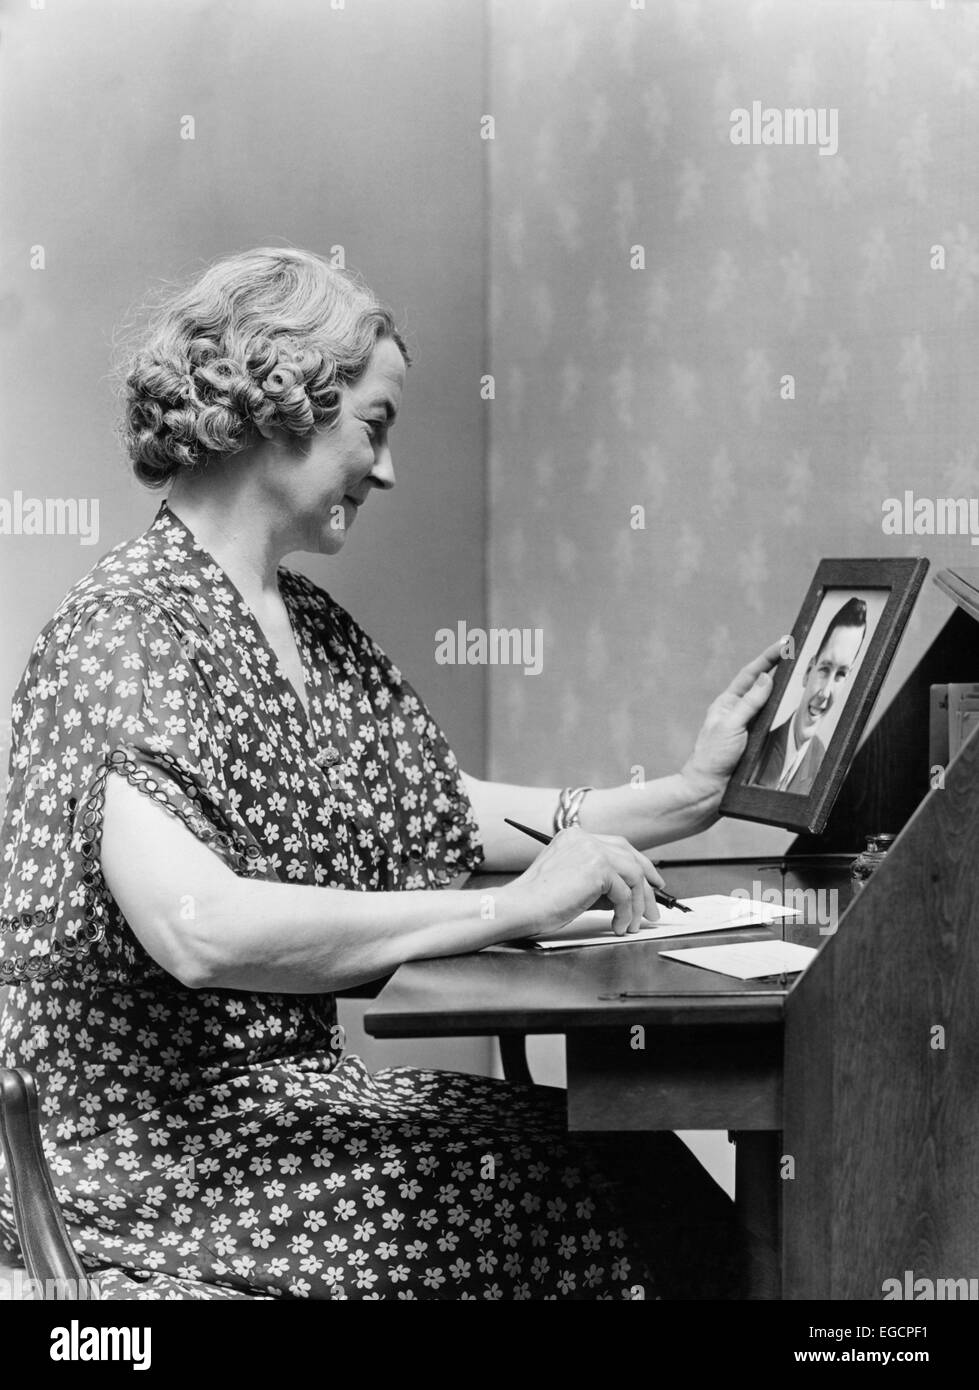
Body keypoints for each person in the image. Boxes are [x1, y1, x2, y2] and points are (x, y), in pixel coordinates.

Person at [0, 248, 780, 1301]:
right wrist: (504, 910)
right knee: (600, 1189)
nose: (389, 468)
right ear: (282, 402)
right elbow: (198, 928)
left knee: (622, 1162)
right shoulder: (131, 625)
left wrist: (683, 797)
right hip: (153, 1158)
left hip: (267, 1117)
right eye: (375, 425)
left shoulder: (294, 617)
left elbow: (425, 804)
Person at [750, 597, 867, 795]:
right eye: (824, 669)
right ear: (808, 670)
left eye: (840, 675)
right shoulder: (758, 749)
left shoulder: (825, 769)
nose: (825, 692)